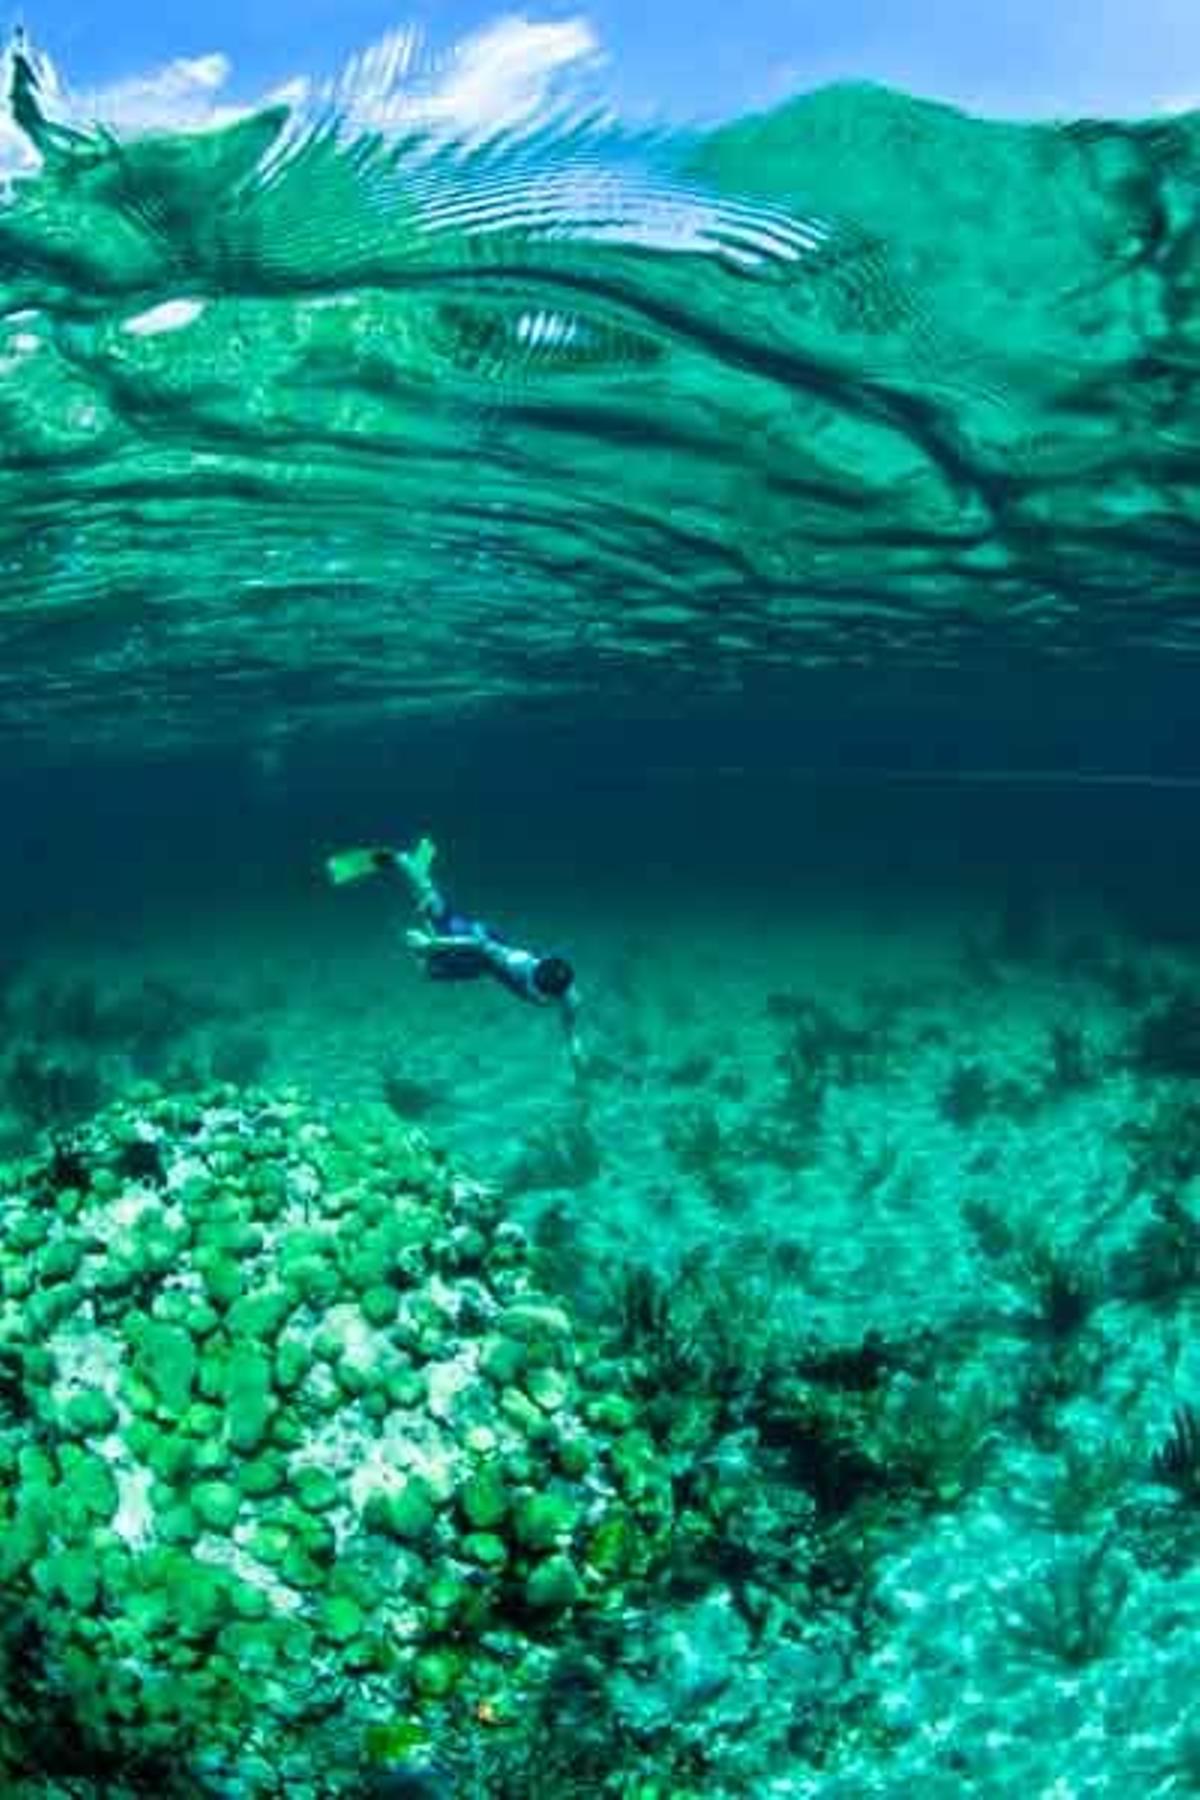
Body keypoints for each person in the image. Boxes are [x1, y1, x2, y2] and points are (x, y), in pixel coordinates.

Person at [326, 836, 582, 1068]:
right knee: (433, 942)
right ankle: (404, 864)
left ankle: (421, 886)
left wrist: (574, 1045)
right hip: (482, 944)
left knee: (435, 943)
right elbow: (477, 944)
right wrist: (430, 944)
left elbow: (570, 1018)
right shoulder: (517, 965)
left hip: (483, 961)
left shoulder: (568, 994)